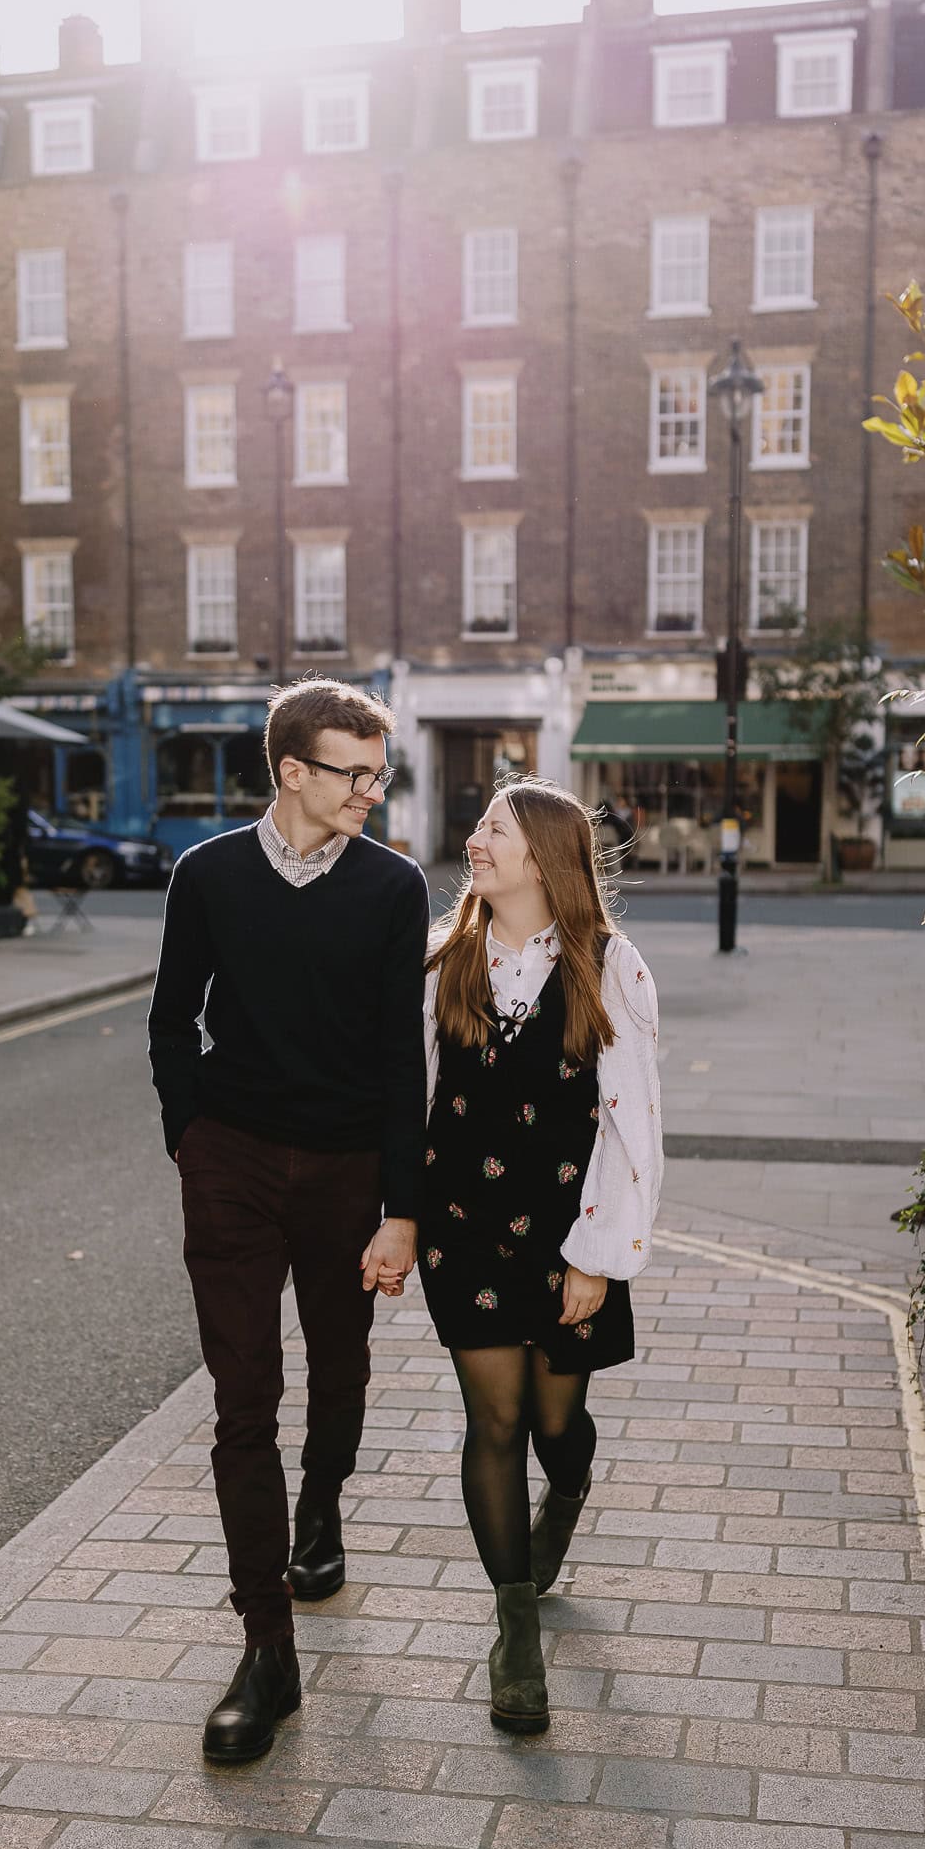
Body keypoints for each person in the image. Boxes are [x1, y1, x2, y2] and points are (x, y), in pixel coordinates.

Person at [148, 677, 429, 1764]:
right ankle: (267, 1649)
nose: (372, 789)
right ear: (293, 771)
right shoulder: (208, 874)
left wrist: (403, 1206)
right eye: (353, 771)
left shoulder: (392, 886)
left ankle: (324, 1505)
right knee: (243, 1397)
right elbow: (176, 1018)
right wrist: (193, 1135)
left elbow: (404, 1054)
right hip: (233, 1160)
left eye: (379, 770)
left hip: (347, 1163)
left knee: (341, 1359)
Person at [419, 777, 662, 1733]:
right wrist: (398, 1216)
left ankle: (564, 1495)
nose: (474, 840)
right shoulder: (444, 956)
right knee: (496, 1417)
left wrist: (596, 1255)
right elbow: (415, 1096)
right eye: (478, 824)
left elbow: (632, 1124)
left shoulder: (610, 964)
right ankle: (514, 1633)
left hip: (566, 1235)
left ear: (544, 856)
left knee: (557, 1425)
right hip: (461, 1226)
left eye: (495, 829)